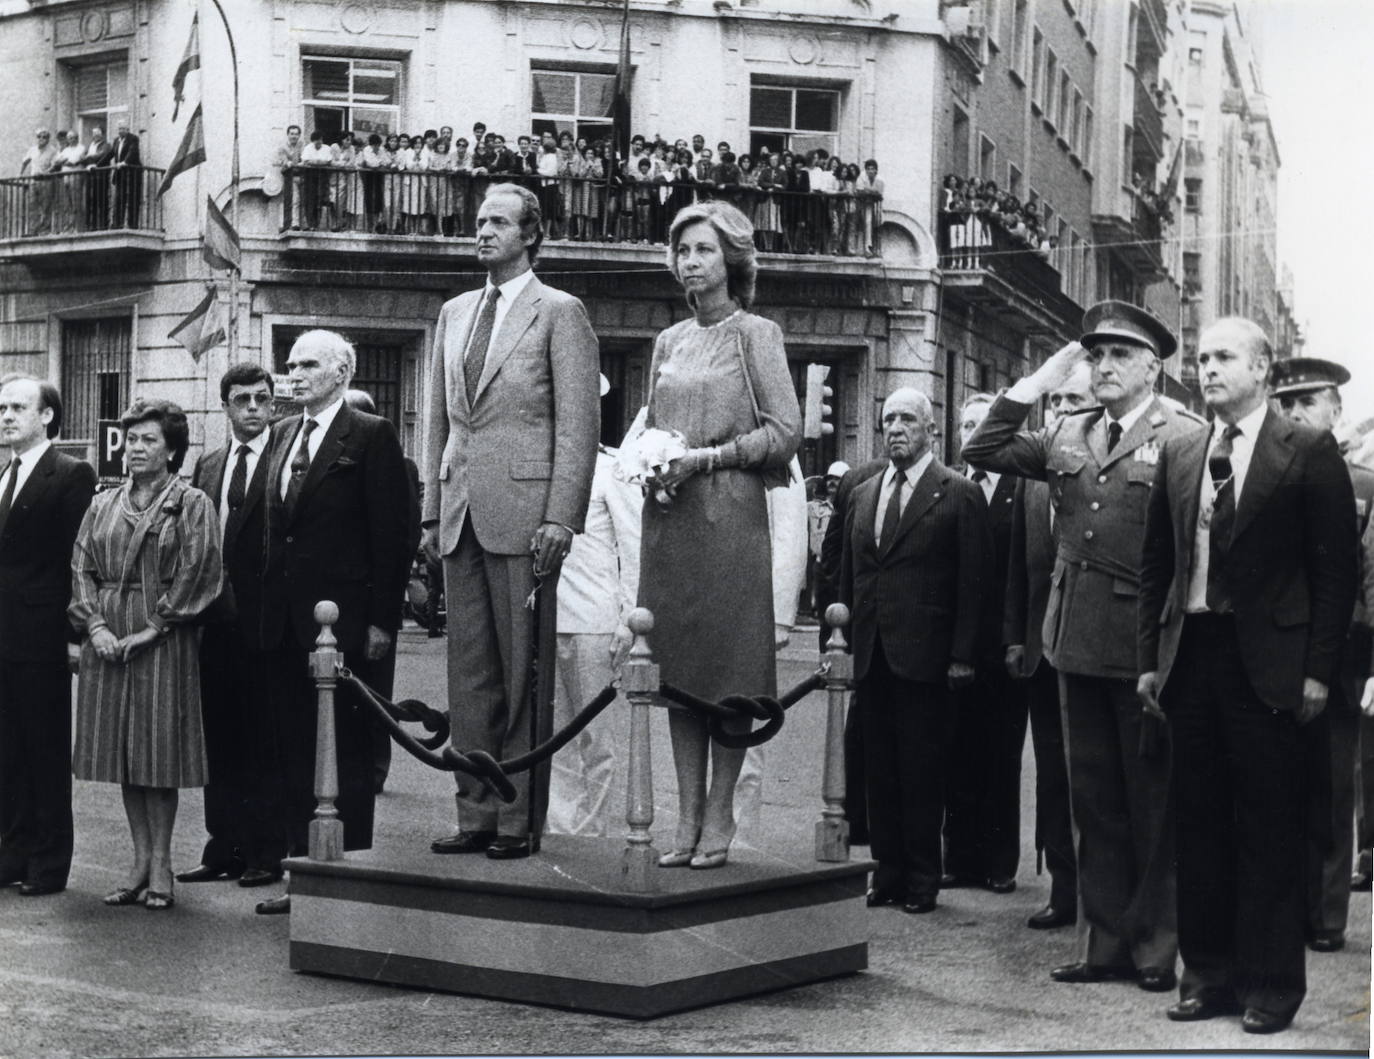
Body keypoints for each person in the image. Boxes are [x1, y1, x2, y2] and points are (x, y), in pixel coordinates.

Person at [962, 301, 1206, 994]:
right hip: (1072, 637)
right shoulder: (1065, 431)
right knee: (1091, 801)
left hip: (1142, 647)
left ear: (1153, 366)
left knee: (1151, 801)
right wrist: (1035, 383)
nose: (1101, 367)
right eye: (1095, 355)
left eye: (1118, 355)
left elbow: (1192, 548)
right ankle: (1101, 944)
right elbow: (980, 449)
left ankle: (1156, 948)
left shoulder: (1182, 434)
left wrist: (1173, 650)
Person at [1137, 319, 1357, 1033]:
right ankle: (1207, 976)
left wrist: (1319, 671)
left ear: (1262, 368)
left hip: (1271, 665)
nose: (1207, 369)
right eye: (1201, 358)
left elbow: (1335, 573)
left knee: (1268, 829)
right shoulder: (1180, 449)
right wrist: (1151, 659)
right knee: (1198, 824)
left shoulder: (1307, 449)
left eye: (1224, 357)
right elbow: (1156, 568)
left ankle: (1270, 986)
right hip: (1194, 654)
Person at [423, 183, 600, 861]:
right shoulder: (454, 312)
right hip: (462, 510)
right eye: (478, 221)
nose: (482, 231)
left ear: (532, 234)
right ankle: (473, 813)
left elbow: (579, 424)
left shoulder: (561, 312)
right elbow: (440, 417)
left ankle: (516, 817)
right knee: (468, 673)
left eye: (497, 222)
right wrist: (431, 510)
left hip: (529, 516)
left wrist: (562, 513)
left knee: (524, 670)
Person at [638, 200, 801, 871]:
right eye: (681, 251)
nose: (690, 262)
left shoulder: (755, 334)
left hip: (731, 516)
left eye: (702, 249)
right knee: (676, 668)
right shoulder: (667, 341)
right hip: (670, 520)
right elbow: (652, 424)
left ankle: (720, 812)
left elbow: (785, 432)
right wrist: (650, 468)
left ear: (731, 259)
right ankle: (685, 811)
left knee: (727, 669)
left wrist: (707, 458)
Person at [253, 331, 412, 916]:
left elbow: (391, 536)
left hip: (344, 624)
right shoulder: (280, 436)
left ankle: (352, 876)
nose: (293, 375)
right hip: (284, 624)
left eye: (309, 365)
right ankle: (303, 873)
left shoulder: (370, 435)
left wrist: (380, 623)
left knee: (345, 751)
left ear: (342, 372)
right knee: (293, 750)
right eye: (290, 365)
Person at [70, 399, 224, 911]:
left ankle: (162, 865)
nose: (135, 448)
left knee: (157, 755)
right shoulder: (103, 502)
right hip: (107, 638)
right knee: (122, 755)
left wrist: (155, 626)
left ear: (172, 449)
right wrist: (94, 625)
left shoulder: (192, 501)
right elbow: (81, 566)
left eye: (148, 440)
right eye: (130, 439)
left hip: (162, 639)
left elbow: (201, 570)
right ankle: (137, 862)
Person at [840, 388, 988, 913]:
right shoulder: (863, 491)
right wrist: (838, 645)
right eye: (888, 419)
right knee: (878, 771)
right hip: (871, 653)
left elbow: (973, 582)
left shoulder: (957, 493)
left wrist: (963, 653)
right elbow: (847, 574)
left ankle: (924, 880)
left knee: (922, 773)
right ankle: (888, 874)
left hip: (927, 658)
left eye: (907, 419)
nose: (895, 428)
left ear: (930, 429)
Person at [1267, 357, 1374, 956]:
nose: (1297, 412)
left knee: (1333, 787)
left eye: (1310, 401)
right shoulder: (1268, 476)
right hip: (1274, 649)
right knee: (1277, 784)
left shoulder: (1365, 484)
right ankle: (1283, 907)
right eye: (1288, 403)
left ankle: (1327, 914)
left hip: (1343, 654)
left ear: (1337, 409)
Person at [177, 365, 281, 890]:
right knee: (219, 740)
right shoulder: (210, 464)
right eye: (242, 400)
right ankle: (223, 847)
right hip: (215, 625)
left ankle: (265, 851)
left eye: (263, 399)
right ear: (225, 406)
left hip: (267, 626)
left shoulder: (287, 461)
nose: (254, 409)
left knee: (263, 741)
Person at [1003, 359, 1094, 930]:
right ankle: (1063, 887)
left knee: (1096, 774)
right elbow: (1019, 566)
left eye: (1074, 403)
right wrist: (1015, 637)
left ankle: (1105, 891)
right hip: (1043, 651)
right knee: (1054, 778)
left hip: (1095, 651)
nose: (1061, 413)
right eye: (1056, 403)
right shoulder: (1035, 482)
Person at [0, 376, 95, 897]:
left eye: (18, 407)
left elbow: (76, 562)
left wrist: (72, 635)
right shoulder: (4, 474)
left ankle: (49, 862)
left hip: (42, 638)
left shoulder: (70, 474)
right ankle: (12, 850)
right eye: (2, 408)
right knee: (8, 752)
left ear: (48, 418)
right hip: (4, 637)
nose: (7, 416)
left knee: (44, 751)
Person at [547, 378, 643, 837]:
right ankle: (562, 826)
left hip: (595, 618)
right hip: (545, 616)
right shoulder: (542, 462)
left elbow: (635, 545)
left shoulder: (612, 470)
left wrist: (629, 620)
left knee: (596, 736)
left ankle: (593, 828)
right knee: (553, 733)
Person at [943, 393, 1024, 897]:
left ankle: (999, 862)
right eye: (966, 424)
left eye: (983, 424)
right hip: (957, 647)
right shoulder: (950, 488)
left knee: (1001, 756)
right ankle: (960, 858)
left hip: (1004, 647)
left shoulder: (1022, 486)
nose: (973, 433)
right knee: (957, 753)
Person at [19, 129, 58, 236]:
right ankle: (33, 230)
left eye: (44, 137)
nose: (41, 139)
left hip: (45, 181)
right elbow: (25, 162)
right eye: (39, 137)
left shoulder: (52, 150)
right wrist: (20, 174)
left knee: (46, 206)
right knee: (32, 206)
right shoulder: (32, 150)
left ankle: (44, 230)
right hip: (33, 181)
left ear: (48, 139)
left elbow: (54, 166)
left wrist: (45, 173)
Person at [109, 119, 141, 229]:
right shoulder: (116, 141)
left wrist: (125, 162)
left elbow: (132, 151)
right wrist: (96, 165)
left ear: (128, 129)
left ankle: (133, 224)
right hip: (120, 174)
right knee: (119, 198)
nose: (120, 131)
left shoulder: (133, 139)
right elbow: (110, 154)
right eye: (119, 129)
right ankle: (118, 223)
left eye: (122, 129)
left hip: (132, 174)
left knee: (132, 198)